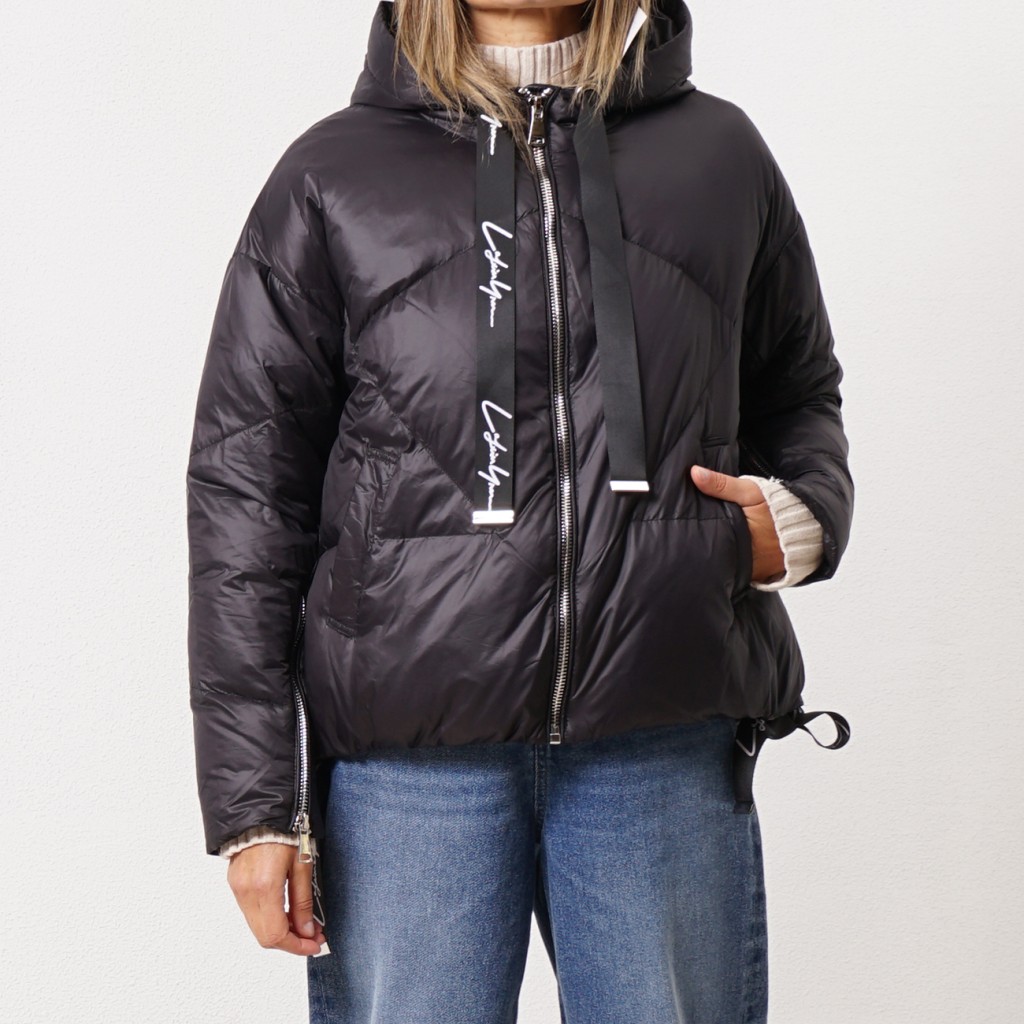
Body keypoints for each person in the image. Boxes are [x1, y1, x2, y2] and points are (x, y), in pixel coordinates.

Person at [185, 0, 854, 1020]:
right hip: (411, 769)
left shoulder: (719, 155)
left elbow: (798, 391)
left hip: (661, 733)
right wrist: (256, 803)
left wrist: (794, 521)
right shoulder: (333, 173)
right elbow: (246, 490)